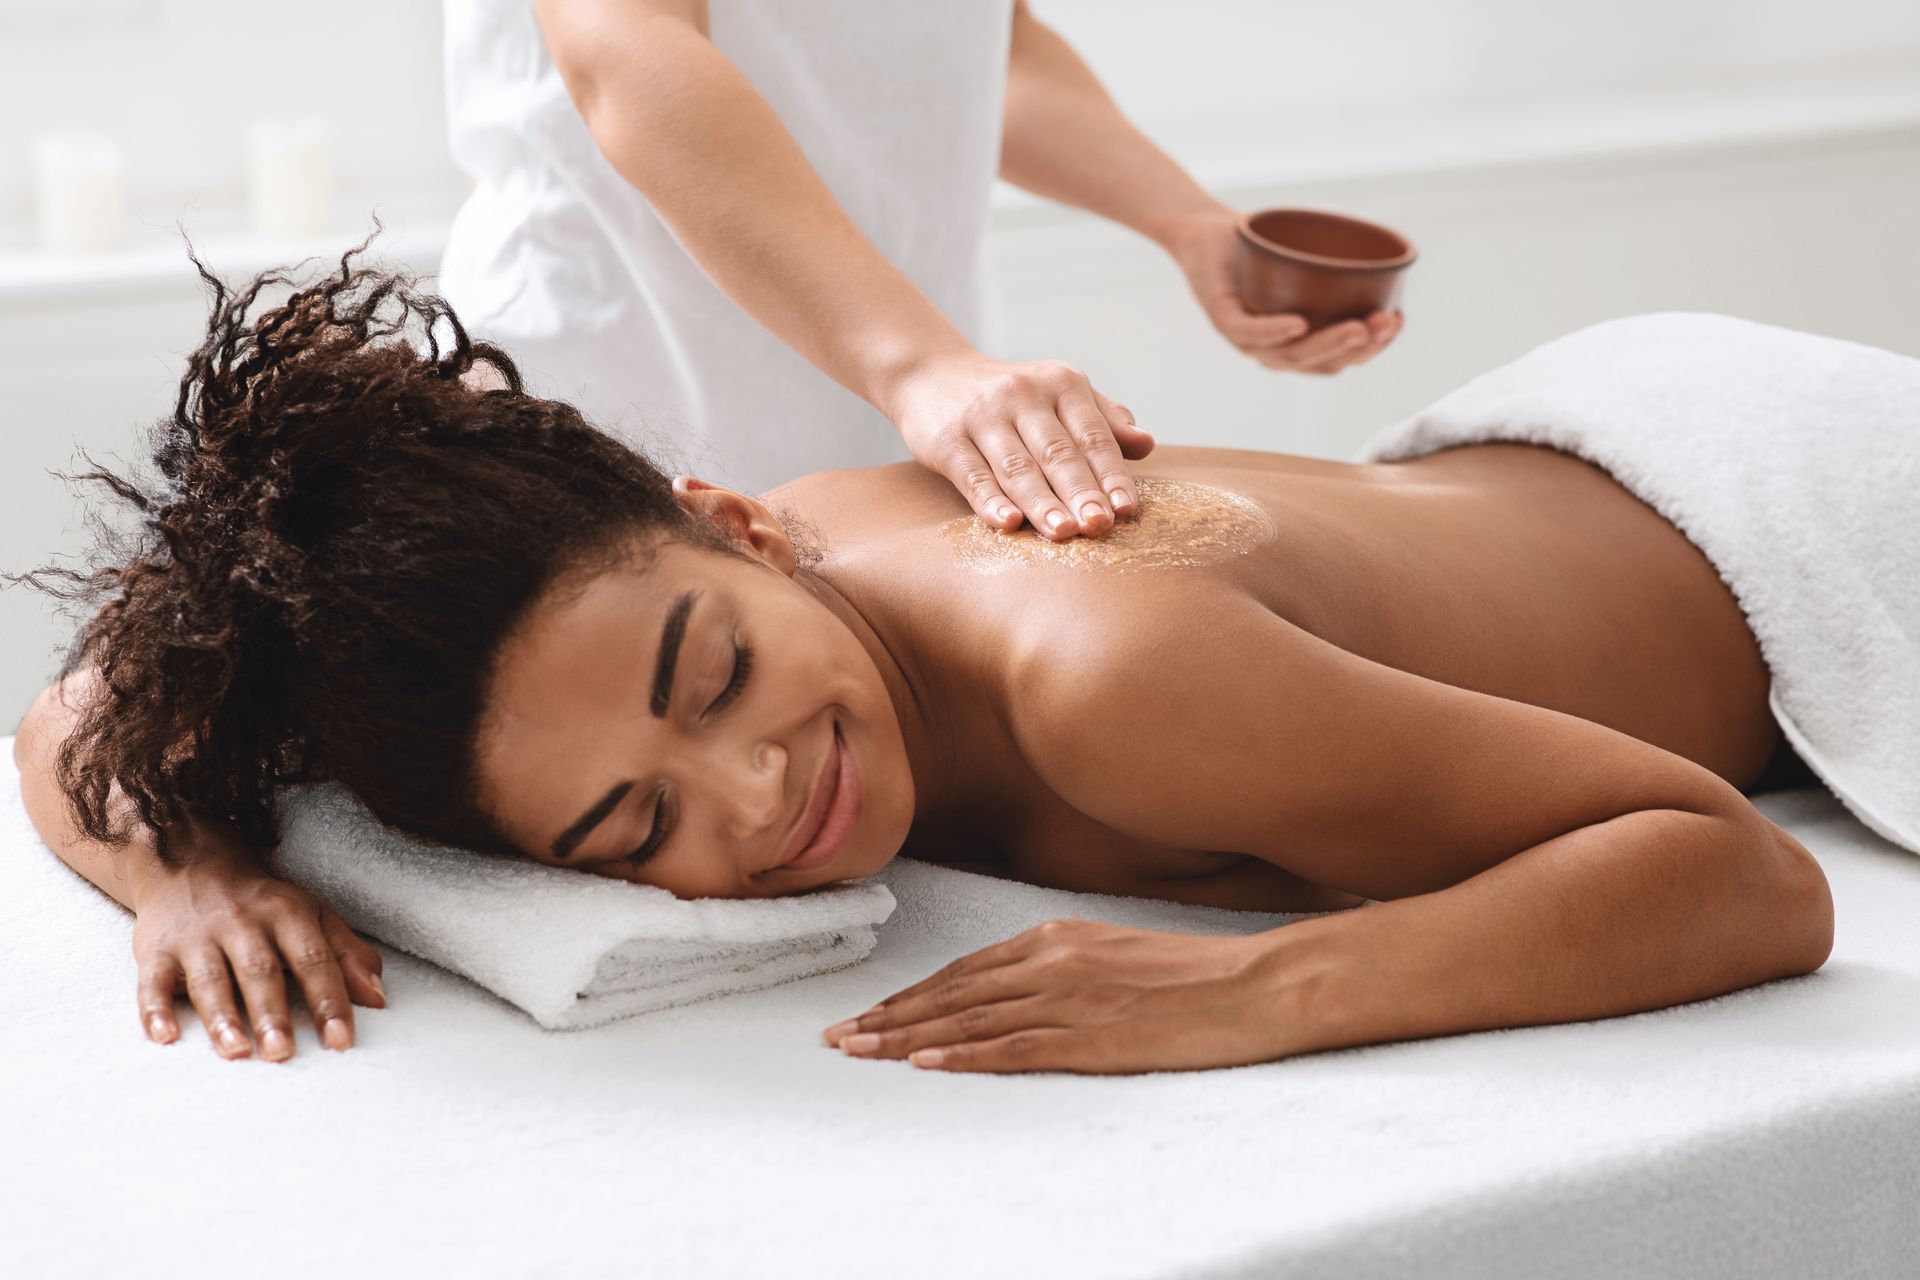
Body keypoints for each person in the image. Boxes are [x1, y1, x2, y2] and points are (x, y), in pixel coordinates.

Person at [13, 258, 1828, 1077]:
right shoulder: (599, 618)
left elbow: (1744, 876)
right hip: (1556, 453)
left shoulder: (1118, 692)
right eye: (631, 826)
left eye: (714, 673)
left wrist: (1258, 994)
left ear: (734, 516)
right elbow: (101, 686)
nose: (758, 798)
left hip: (1799, 512)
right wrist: (193, 873)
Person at [439, 0, 1403, 541]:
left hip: (887, 424)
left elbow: (988, 47)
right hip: (605, 413)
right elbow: (624, 44)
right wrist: (919, 365)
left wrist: (1191, 224)